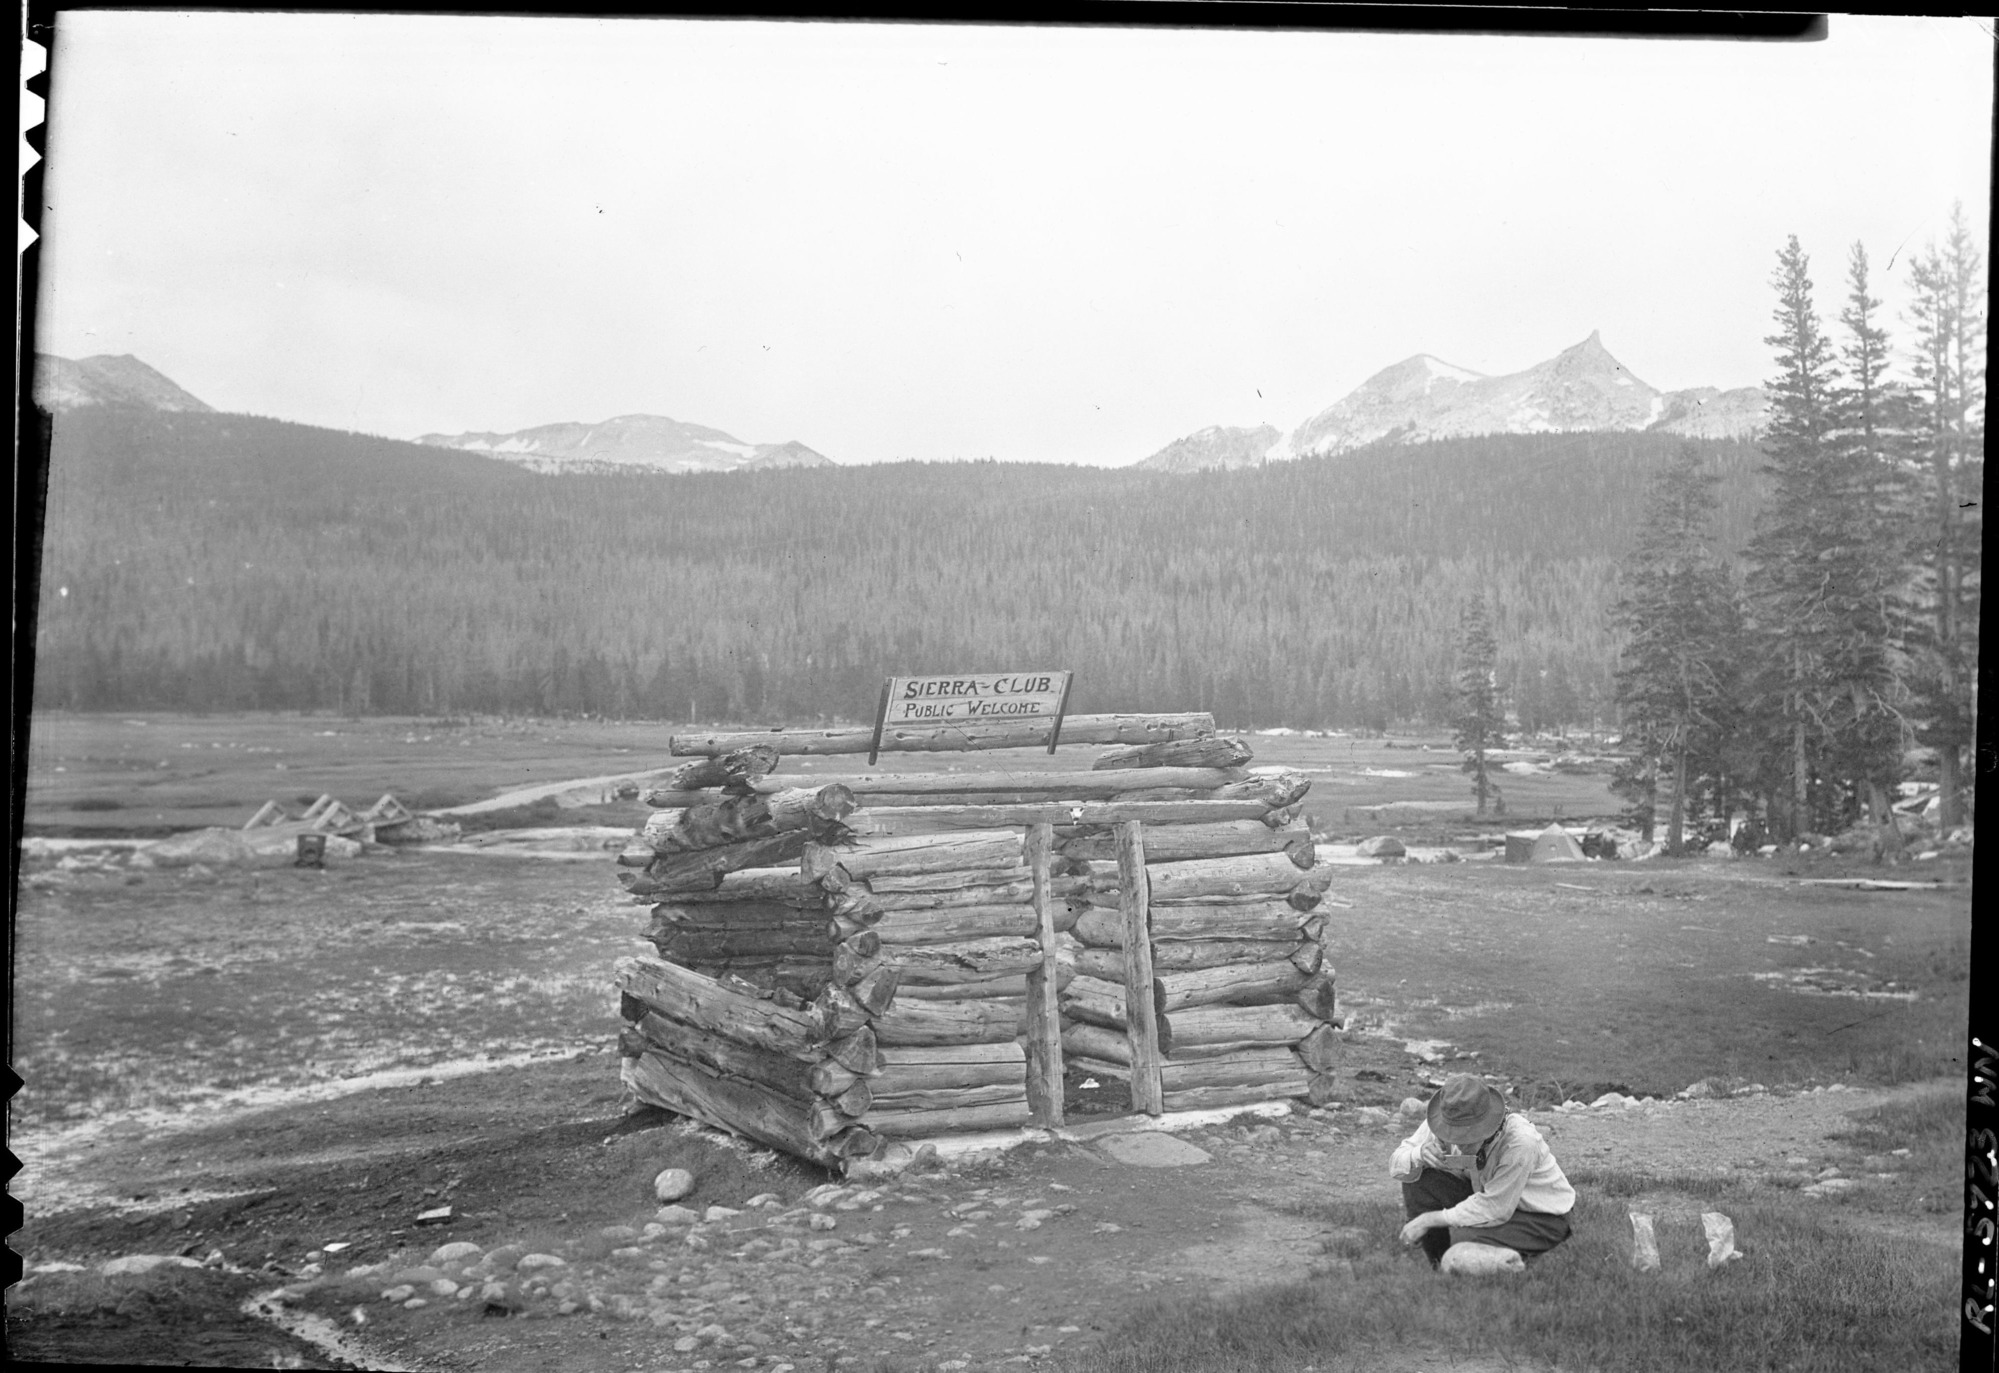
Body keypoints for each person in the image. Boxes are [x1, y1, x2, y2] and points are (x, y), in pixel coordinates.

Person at [1389, 1074, 1576, 1268]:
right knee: (1419, 1177)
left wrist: (1429, 1219)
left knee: (1462, 1238)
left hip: (1541, 1217)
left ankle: (1512, 1260)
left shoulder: (1520, 1142)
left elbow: (1495, 1207)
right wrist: (1418, 1154)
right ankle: (1439, 1265)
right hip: (1486, 1195)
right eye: (1453, 1134)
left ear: (1489, 1125)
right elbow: (1396, 1166)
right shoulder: (1442, 1121)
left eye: (1467, 1137)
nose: (1458, 1144)